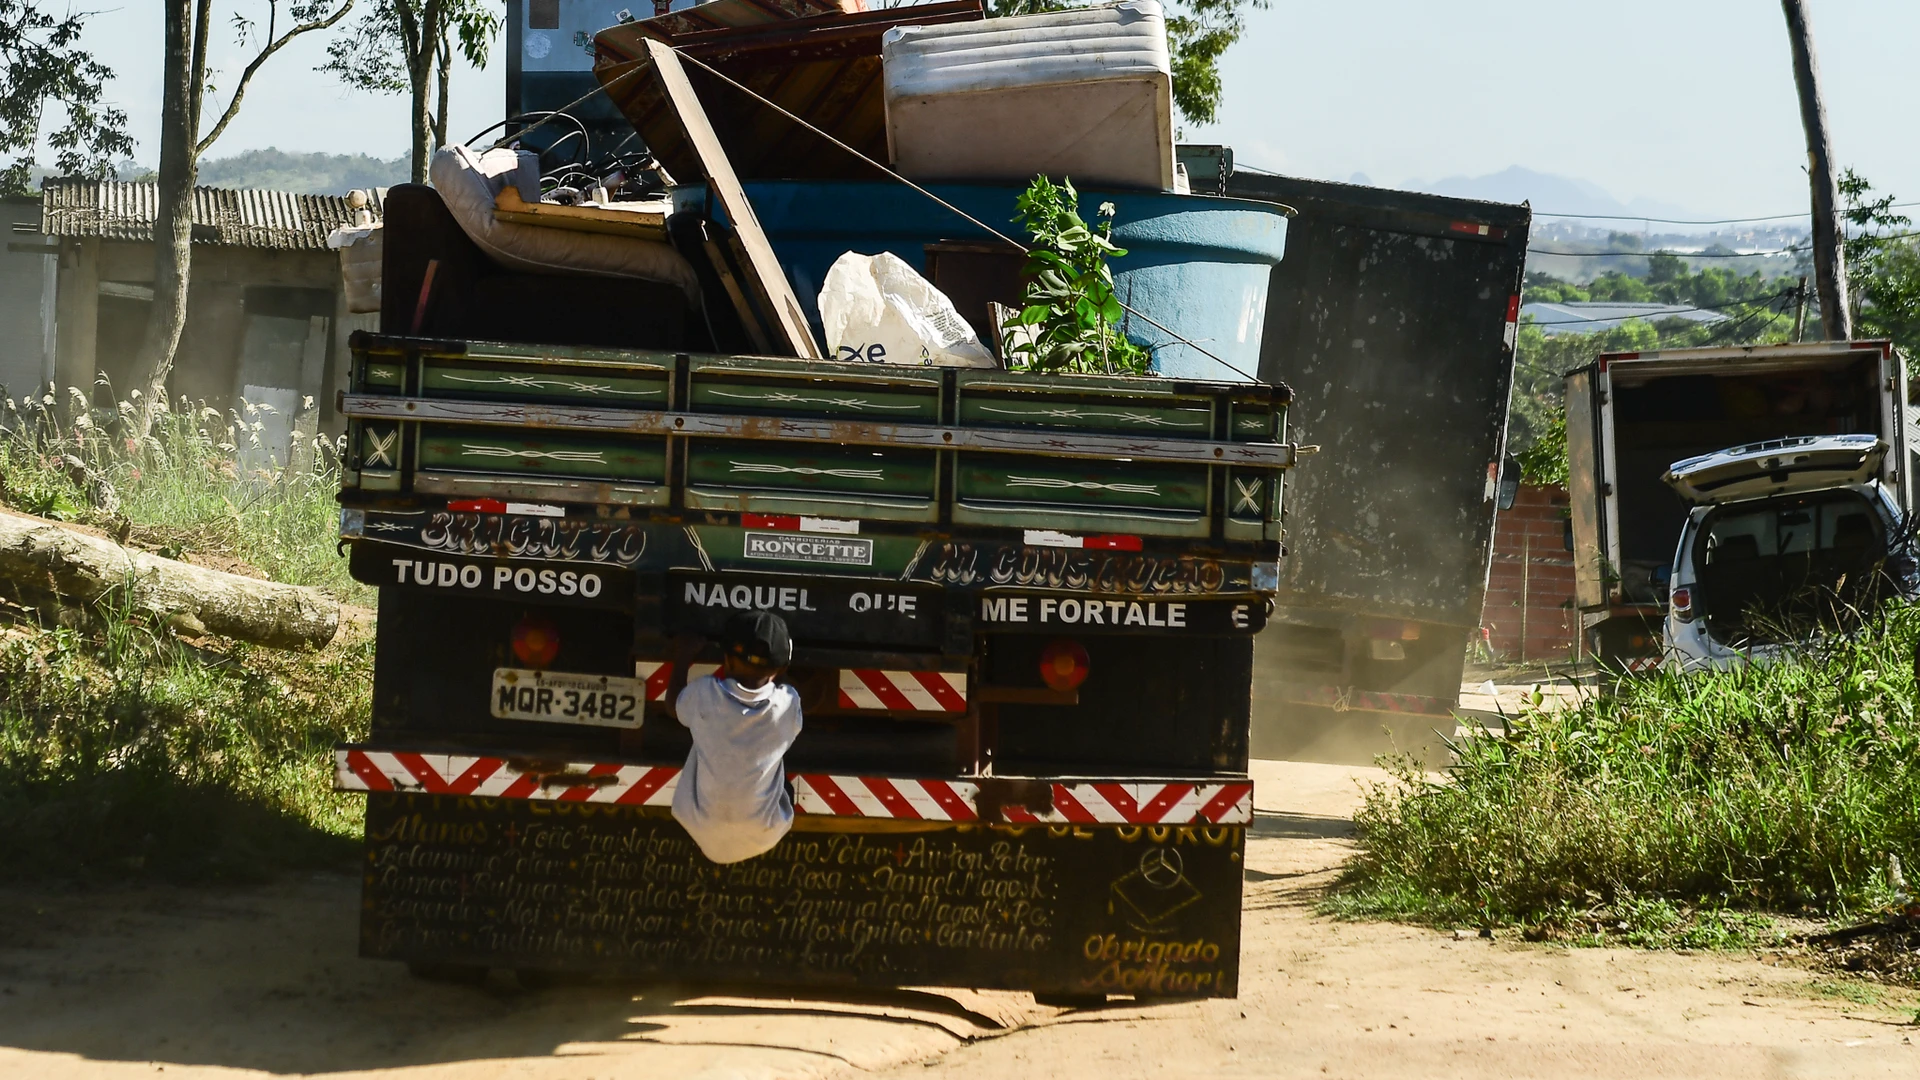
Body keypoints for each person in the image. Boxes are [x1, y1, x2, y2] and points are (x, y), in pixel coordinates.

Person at [666, 610, 803, 864]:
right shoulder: (788, 705)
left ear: (726, 660)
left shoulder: (703, 693)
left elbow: (673, 705)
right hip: (766, 832)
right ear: (782, 667)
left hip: (699, 825)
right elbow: (783, 687)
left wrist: (683, 655)